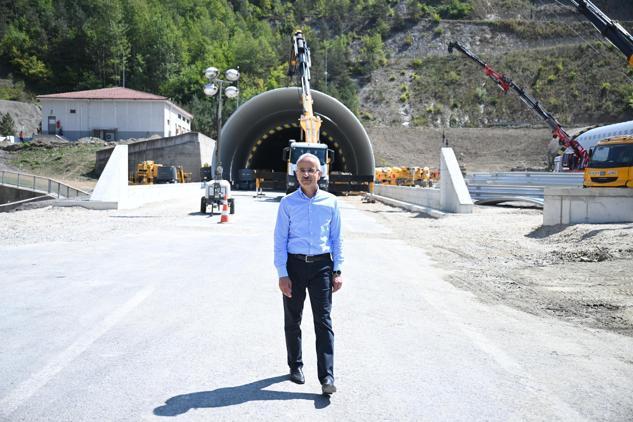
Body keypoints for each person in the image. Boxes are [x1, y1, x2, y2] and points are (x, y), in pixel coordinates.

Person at [273, 153, 343, 395]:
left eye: (310, 170)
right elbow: (280, 240)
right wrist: (283, 274)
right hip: (295, 266)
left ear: (319, 173)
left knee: (323, 322)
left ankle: (327, 377)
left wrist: (337, 270)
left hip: (322, 266)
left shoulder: (331, 202)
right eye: (301, 169)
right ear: (296, 174)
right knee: (293, 320)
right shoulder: (287, 203)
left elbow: (336, 239)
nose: (305, 174)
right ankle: (295, 366)